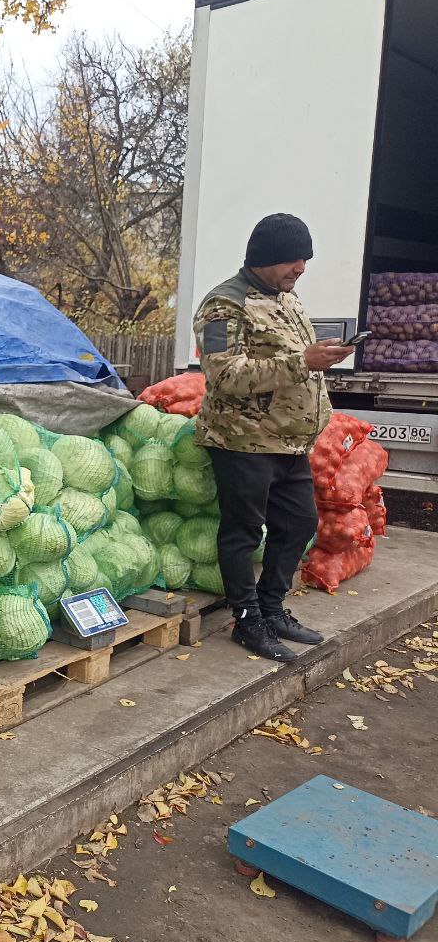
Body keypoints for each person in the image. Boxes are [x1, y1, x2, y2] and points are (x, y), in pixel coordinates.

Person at [192, 214, 355, 661]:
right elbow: (224, 375)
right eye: (292, 259)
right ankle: (247, 621)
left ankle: (271, 608)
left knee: (300, 522)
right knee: (243, 531)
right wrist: (303, 361)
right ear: (264, 257)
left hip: (288, 441)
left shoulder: (286, 299)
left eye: (305, 259)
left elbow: (293, 357)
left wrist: (320, 356)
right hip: (243, 441)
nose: (300, 267)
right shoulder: (223, 305)